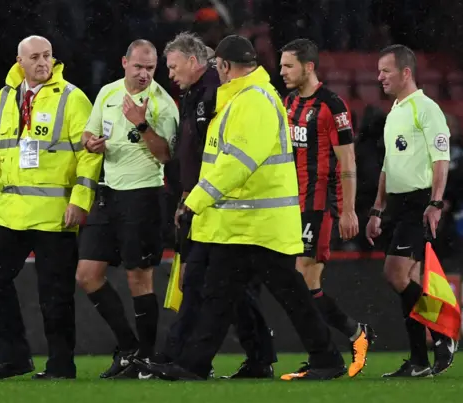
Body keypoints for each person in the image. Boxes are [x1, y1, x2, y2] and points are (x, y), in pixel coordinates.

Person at [135, 35, 346, 382]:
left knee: (283, 293)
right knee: (221, 294)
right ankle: (194, 365)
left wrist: (196, 200)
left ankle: (325, 358)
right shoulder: (242, 99)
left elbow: (238, 163)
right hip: (243, 222)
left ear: (225, 66)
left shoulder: (253, 101)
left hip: (259, 223)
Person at [0, 35, 101, 380]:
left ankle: (61, 364)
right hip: (11, 211)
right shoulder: (2, 99)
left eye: (48, 56)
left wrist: (79, 200)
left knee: (54, 294)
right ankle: (13, 358)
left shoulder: (73, 99)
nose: (44, 63)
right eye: (35, 57)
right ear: (19, 61)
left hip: (55, 213)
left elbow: (89, 156)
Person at [161, 31, 277, 379]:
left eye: (173, 66)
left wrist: (197, 195)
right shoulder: (196, 92)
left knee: (205, 282)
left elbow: (225, 154)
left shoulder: (217, 93)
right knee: (219, 286)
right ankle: (256, 356)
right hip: (201, 199)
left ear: (195, 62)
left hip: (216, 203)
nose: (170, 74)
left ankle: (181, 358)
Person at [76, 39, 179, 379]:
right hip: (108, 193)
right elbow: (87, 135)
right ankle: (129, 346)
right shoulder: (106, 93)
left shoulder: (163, 105)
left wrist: (141, 123)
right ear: (124, 63)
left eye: (150, 68)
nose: (144, 74)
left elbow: (165, 155)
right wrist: (90, 144)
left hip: (144, 195)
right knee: (87, 275)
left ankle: (145, 359)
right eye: (138, 67)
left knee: (139, 277)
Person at [279, 39, 374, 378]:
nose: (282, 71)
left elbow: (347, 161)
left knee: (304, 282)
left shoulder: (332, 106)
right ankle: (352, 334)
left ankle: (328, 354)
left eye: (288, 65)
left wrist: (348, 210)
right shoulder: (288, 102)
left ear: (308, 66)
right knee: (299, 285)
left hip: (317, 206)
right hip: (288, 206)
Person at [366, 44, 455, 377]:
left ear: (406, 72)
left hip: (420, 202)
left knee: (396, 274)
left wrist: (435, 202)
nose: (379, 77)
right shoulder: (394, 111)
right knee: (407, 280)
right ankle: (419, 360)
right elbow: (389, 165)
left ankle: (444, 333)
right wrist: (377, 209)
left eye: (385, 71)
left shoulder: (426, 109)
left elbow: (440, 159)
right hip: (399, 204)